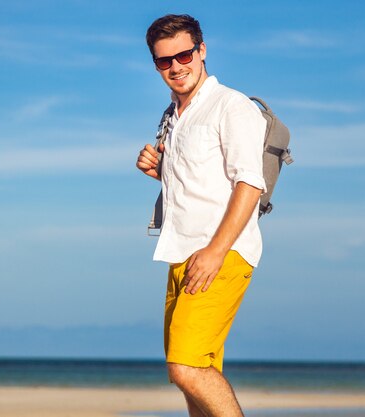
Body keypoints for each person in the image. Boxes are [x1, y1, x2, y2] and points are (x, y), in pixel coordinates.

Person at [135, 14, 267, 417]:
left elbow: (250, 184)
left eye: (185, 54)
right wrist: (159, 171)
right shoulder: (173, 117)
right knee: (196, 380)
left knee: (186, 367)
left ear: (202, 50)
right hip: (181, 253)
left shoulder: (232, 106)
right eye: (164, 61)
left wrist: (215, 251)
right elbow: (201, 184)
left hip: (220, 254)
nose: (177, 66)